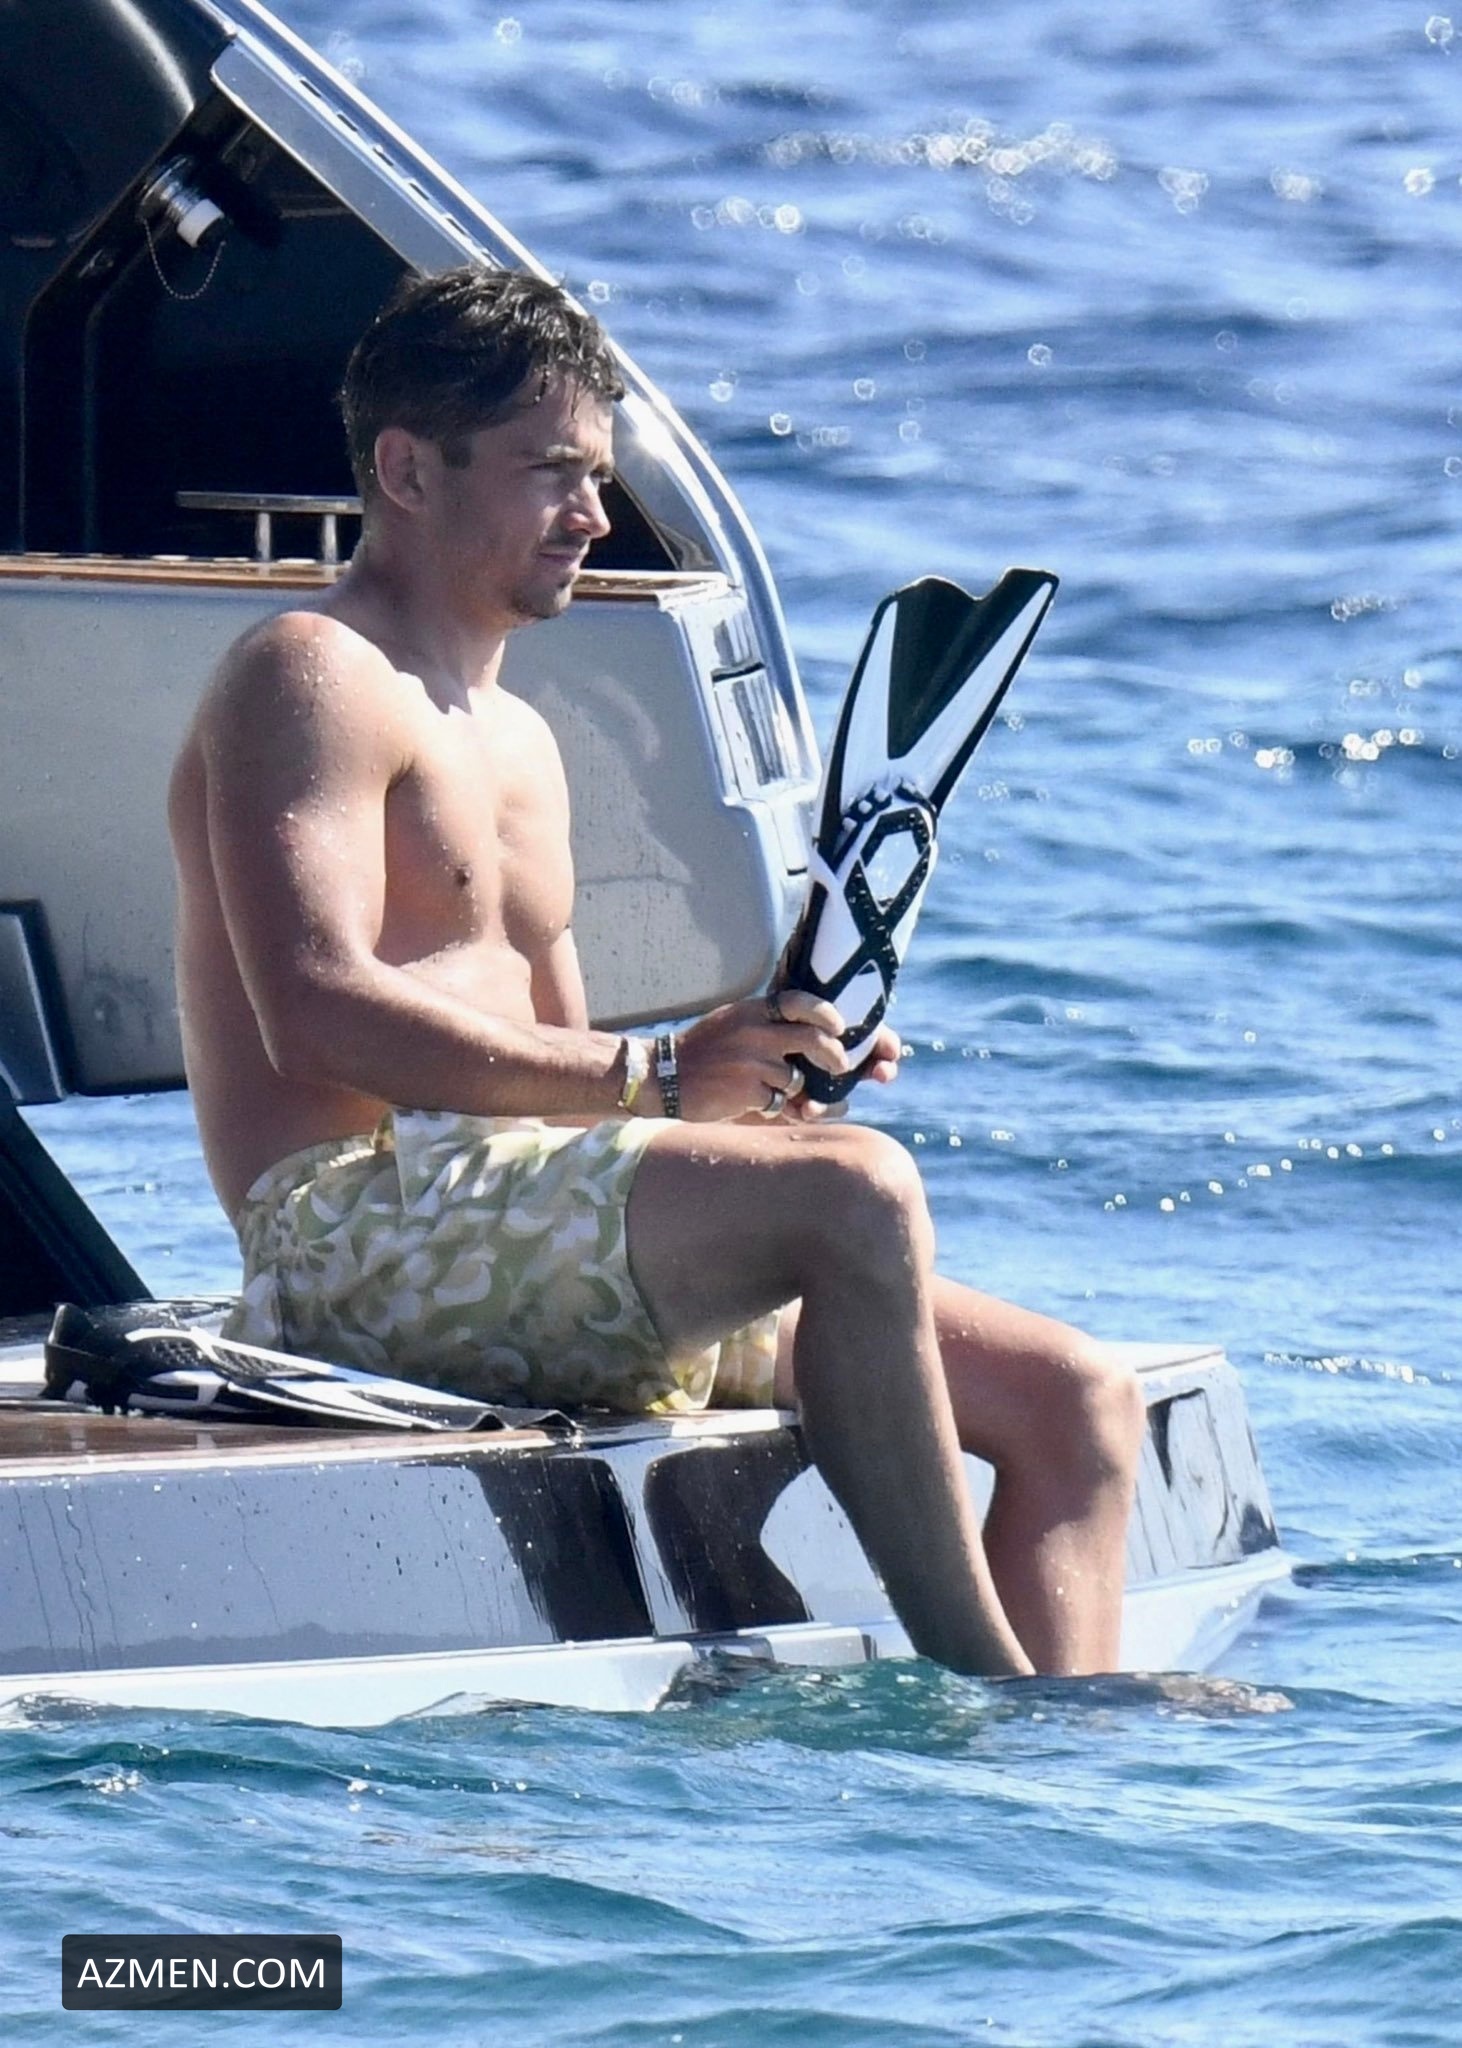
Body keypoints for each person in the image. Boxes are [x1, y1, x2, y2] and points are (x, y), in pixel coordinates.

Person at [168, 266, 1146, 1680]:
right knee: (859, 1192)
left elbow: (582, 1109)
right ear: (408, 470)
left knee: (1078, 1400)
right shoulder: (309, 673)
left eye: (597, 475)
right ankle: (990, 1692)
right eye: (551, 472)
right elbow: (311, 1009)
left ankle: (1067, 1776)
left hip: (514, 1222)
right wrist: (660, 1073)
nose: (593, 514)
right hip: (346, 1242)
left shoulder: (519, 734)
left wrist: (747, 1083)